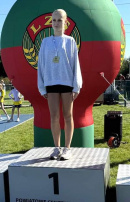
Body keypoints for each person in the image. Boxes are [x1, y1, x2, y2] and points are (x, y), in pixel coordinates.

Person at [37, 9, 82, 161]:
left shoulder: (70, 41)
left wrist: (76, 85)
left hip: (67, 82)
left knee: (68, 115)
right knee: (54, 116)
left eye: (59, 20)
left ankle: (67, 148)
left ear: (65, 22)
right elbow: (41, 65)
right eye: (54, 20)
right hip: (50, 82)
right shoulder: (45, 42)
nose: (56, 23)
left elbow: (76, 64)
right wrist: (42, 86)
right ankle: (56, 147)